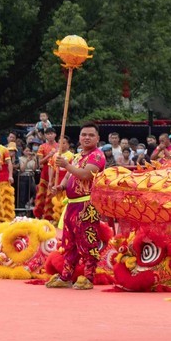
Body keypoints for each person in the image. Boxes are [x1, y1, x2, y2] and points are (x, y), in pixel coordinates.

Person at [44, 123, 107, 290]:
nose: (87, 137)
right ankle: (66, 276)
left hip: (87, 205)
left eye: (91, 135)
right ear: (79, 137)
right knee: (69, 242)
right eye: (84, 134)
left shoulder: (97, 156)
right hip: (72, 205)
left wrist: (66, 165)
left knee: (87, 241)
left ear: (98, 138)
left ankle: (88, 276)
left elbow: (86, 175)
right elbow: (69, 176)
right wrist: (60, 187)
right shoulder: (78, 157)